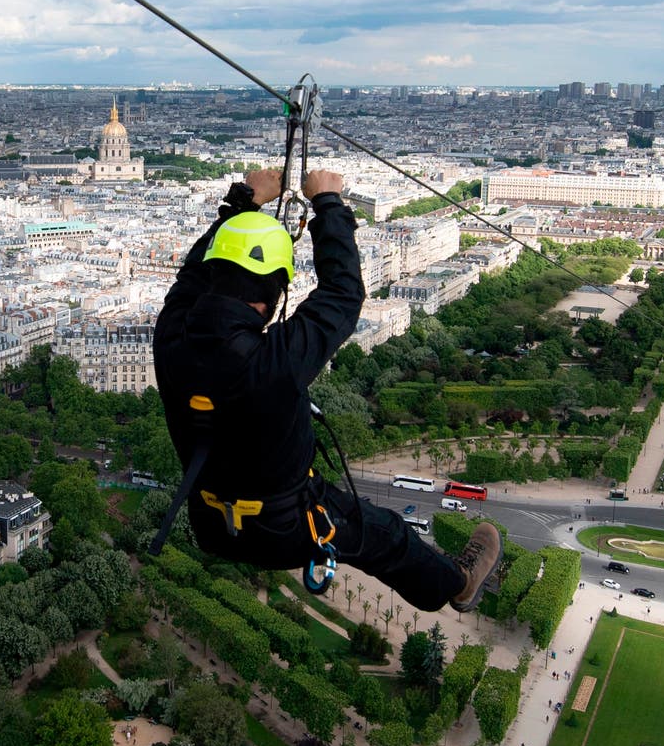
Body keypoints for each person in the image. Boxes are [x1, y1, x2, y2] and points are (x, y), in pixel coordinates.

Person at [154, 169, 500, 612]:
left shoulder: (170, 339)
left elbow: (191, 279)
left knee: (382, 534)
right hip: (286, 530)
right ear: (278, 293)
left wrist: (242, 206)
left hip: (209, 522)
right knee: (389, 538)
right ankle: (459, 584)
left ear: (214, 277)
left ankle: (455, 583)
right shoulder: (274, 361)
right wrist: (328, 203)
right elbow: (343, 293)